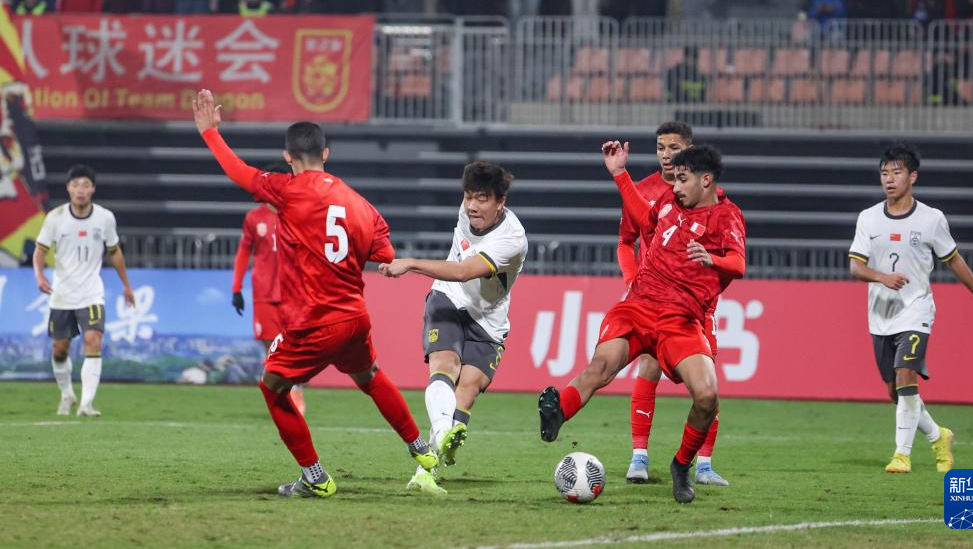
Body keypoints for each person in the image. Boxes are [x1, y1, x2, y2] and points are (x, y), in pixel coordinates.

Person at [191, 89, 440, 498]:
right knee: (370, 376)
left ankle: (315, 477)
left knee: (271, 386)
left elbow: (239, 172)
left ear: (287, 157)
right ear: (326, 153)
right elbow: (385, 253)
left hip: (316, 320)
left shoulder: (287, 190)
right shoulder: (360, 203)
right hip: (354, 317)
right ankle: (420, 448)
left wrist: (210, 133)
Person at [540, 142, 746, 504]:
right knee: (601, 366)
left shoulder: (727, 216)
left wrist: (712, 260)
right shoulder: (669, 202)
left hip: (681, 319)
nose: (675, 186)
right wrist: (620, 175)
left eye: (682, 179)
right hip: (638, 305)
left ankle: (681, 465)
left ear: (706, 180)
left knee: (707, 397)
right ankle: (559, 413)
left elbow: (738, 264)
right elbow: (643, 219)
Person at [849, 142, 973, 474]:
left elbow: (954, 260)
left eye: (896, 172)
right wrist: (881, 276)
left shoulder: (931, 219)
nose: (889, 179)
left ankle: (901, 455)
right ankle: (938, 435)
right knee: (896, 391)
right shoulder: (868, 218)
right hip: (880, 315)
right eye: (884, 173)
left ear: (912, 176)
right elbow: (855, 267)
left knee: (906, 374)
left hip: (916, 311)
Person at [379, 161, 527, 492]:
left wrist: (411, 263)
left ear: (500, 202)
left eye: (482, 199)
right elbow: (455, 280)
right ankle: (439, 444)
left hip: (488, 320)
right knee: (445, 366)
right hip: (448, 297)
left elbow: (463, 271)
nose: (472, 206)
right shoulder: (469, 211)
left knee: (467, 391)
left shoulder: (511, 239)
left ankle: (429, 467)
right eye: (468, 196)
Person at [616, 123, 730, 487]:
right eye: (660, 147)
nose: (666, 155)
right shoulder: (642, 190)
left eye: (674, 147)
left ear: (689, 149)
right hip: (653, 298)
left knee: (707, 380)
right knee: (648, 368)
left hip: (695, 302)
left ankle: (704, 464)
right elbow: (625, 242)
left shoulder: (709, 196)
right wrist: (632, 279)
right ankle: (639, 457)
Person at [33, 165, 135, 417]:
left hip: (91, 293)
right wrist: (39, 274)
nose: (80, 190)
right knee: (60, 350)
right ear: (68, 188)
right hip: (62, 294)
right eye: (76, 185)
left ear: (93, 189)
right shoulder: (55, 217)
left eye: (85, 185)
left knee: (93, 340)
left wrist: (126, 285)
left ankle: (86, 403)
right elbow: (40, 250)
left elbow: (115, 252)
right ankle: (67, 394)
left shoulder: (105, 218)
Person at [232, 184, 305, 415]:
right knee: (271, 349)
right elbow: (244, 251)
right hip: (263, 292)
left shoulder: (298, 213)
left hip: (294, 291)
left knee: (295, 345)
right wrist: (236, 288)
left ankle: (296, 389)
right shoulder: (254, 218)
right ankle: (284, 396)